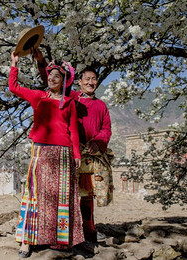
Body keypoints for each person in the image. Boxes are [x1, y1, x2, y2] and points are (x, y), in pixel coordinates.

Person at [9, 51, 85, 258]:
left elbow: (73, 130)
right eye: (50, 75)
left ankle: (59, 241)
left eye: (56, 76)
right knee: (34, 194)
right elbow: (13, 87)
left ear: (63, 81)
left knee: (61, 197)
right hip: (41, 151)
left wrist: (76, 154)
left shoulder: (69, 102)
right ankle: (27, 240)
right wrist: (14, 65)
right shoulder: (38, 97)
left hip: (63, 153)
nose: (52, 78)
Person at [33, 49, 113, 245]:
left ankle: (89, 229)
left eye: (94, 79)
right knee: (65, 193)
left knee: (87, 195)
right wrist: (41, 61)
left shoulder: (101, 106)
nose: (90, 83)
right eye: (86, 79)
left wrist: (98, 142)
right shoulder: (70, 97)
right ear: (79, 82)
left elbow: (106, 129)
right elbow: (51, 78)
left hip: (90, 155)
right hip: (69, 152)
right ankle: (61, 233)